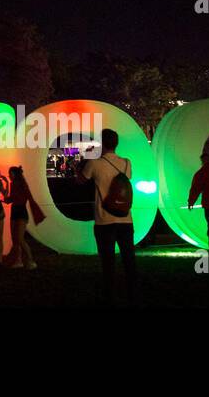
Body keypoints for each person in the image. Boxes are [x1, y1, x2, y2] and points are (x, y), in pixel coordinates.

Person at [79, 129, 137, 304]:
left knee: (107, 260)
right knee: (129, 258)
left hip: (104, 219)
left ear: (101, 143)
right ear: (116, 143)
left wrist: (83, 161)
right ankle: (133, 292)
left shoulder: (94, 164)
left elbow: (81, 180)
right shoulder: (127, 163)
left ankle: (109, 294)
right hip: (125, 218)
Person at [5, 166, 43, 269]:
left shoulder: (22, 185)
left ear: (15, 175)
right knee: (15, 239)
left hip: (21, 211)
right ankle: (19, 260)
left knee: (20, 238)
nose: (9, 175)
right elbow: (10, 199)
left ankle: (30, 260)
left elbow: (19, 198)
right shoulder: (14, 184)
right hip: (16, 211)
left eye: (11, 174)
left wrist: (9, 198)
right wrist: (6, 193)